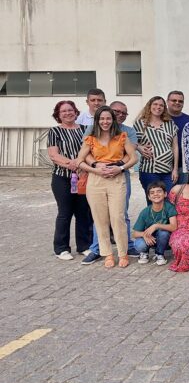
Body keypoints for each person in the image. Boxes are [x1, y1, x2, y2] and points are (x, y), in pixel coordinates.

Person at [75, 105, 138, 268]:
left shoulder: (121, 137)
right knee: (100, 218)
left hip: (117, 179)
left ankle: (123, 253)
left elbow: (133, 158)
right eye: (102, 118)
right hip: (96, 181)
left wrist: (121, 168)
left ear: (112, 120)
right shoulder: (91, 138)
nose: (105, 121)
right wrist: (95, 168)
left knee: (118, 217)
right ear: (97, 120)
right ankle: (107, 253)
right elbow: (79, 160)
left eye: (108, 118)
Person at [48, 100, 92, 259]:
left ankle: (84, 246)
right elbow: (53, 155)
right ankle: (61, 248)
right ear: (58, 115)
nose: (67, 113)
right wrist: (73, 164)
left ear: (75, 111)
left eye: (70, 110)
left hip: (83, 177)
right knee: (65, 213)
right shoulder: (54, 131)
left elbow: (91, 151)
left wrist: (82, 165)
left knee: (83, 213)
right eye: (63, 111)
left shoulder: (85, 130)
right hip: (62, 178)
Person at [133, 96, 179, 198]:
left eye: (161, 105)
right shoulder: (140, 124)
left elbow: (175, 147)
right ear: (149, 106)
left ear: (164, 108)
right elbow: (130, 142)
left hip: (167, 170)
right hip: (149, 170)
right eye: (155, 104)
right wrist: (139, 148)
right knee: (153, 200)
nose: (158, 107)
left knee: (168, 199)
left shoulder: (170, 124)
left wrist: (175, 169)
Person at [132, 181, 178, 265]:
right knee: (139, 244)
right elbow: (135, 233)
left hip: (165, 240)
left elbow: (174, 227)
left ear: (165, 194)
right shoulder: (145, 212)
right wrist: (144, 235)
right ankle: (144, 253)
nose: (156, 194)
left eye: (159, 191)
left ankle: (159, 254)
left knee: (163, 233)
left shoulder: (169, 207)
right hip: (150, 238)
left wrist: (156, 226)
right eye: (152, 193)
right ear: (149, 197)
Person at [167, 90, 189, 183]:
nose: (177, 103)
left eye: (180, 101)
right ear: (167, 101)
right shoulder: (161, 118)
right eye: (174, 100)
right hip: (164, 165)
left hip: (184, 166)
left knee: (182, 195)